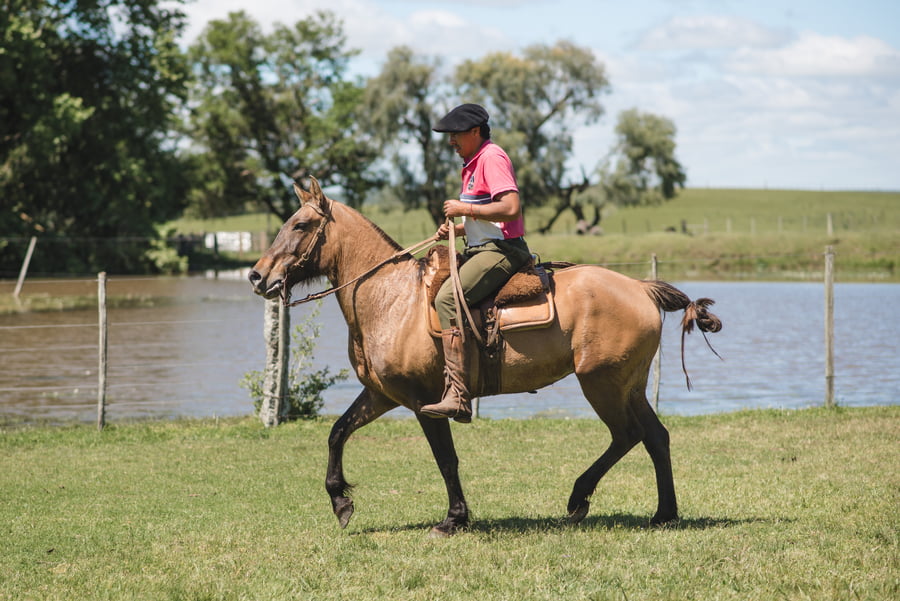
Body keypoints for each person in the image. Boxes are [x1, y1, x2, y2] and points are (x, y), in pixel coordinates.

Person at [420, 103, 532, 423]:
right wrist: (456, 228)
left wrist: (464, 211)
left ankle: (457, 394)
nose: (450, 141)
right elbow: (486, 213)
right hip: (483, 247)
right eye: (449, 135)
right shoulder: (472, 163)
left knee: (447, 298)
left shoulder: (492, 157)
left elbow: (510, 208)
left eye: (455, 135)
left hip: (502, 251)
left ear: (475, 132)